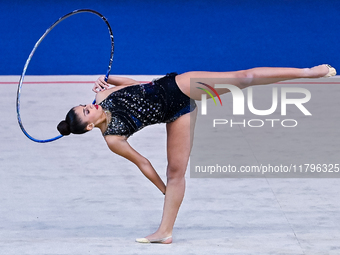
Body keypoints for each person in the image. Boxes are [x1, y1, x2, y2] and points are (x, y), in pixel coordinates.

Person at [57, 64, 336, 244]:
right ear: (90, 125)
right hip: (176, 114)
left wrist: (108, 77)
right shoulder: (113, 138)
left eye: (84, 104)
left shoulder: (104, 97)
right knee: (175, 172)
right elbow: (143, 162)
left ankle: (308, 73)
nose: (89, 105)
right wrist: (164, 189)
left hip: (178, 86)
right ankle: (164, 232)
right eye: (85, 111)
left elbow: (138, 87)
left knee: (243, 78)